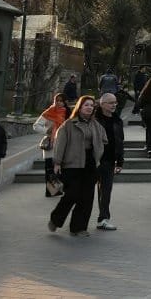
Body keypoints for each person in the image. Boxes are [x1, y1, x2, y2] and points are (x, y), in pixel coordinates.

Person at [48, 96, 107, 236]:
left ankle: (78, 228)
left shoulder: (95, 124)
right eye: (86, 105)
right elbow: (60, 143)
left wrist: (98, 149)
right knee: (72, 194)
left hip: (90, 164)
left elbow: (104, 139)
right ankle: (55, 220)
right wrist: (57, 162)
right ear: (79, 107)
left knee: (87, 198)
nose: (89, 107)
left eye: (92, 105)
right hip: (72, 164)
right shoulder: (69, 124)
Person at [94, 93, 124, 231]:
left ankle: (103, 219)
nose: (113, 105)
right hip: (93, 160)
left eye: (115, 103)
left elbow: (120, 142)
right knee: (84, 192)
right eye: (110, 103)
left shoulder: (117, 120)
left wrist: (120, 161)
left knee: (106, 191)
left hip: (109, 161)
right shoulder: (94, 120)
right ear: (102, 104)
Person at [36, 93, 69, 197]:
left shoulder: (68, 113)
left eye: (61, 101)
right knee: (50, 169)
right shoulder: (49, 112)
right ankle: (51, 192)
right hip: (51, 144)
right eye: (57, 100)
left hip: (64, 145)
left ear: (65, 102)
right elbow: (36, 126)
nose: (59, 103)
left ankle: (61, 190)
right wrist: (47, 130)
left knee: (63, 169)